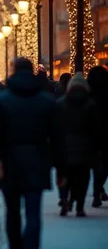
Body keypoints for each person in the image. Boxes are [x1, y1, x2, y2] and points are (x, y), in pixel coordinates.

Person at [0, 57, 59, 249]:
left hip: (9, 163)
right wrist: (62, 167)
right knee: (33, 212)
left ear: (13, 70)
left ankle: (15, 246)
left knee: (12, 212)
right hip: (38, 163)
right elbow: (57, 136)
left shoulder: (2, 100)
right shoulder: (47, 101)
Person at [55, 74, 99, 217]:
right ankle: (79, 205)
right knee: (82, 178)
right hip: (85, 148)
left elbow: (54, 127)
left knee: (63, 174)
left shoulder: (61, 104)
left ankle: (64, 198)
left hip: (64, 147)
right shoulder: (91, 105)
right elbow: (95, 129)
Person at [86, 66, 108, 207]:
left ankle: (97, 191)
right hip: (106, 134)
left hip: (90, 135)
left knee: (95, 165)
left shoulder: (88, 95)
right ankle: (98, 189)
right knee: (105, 164)